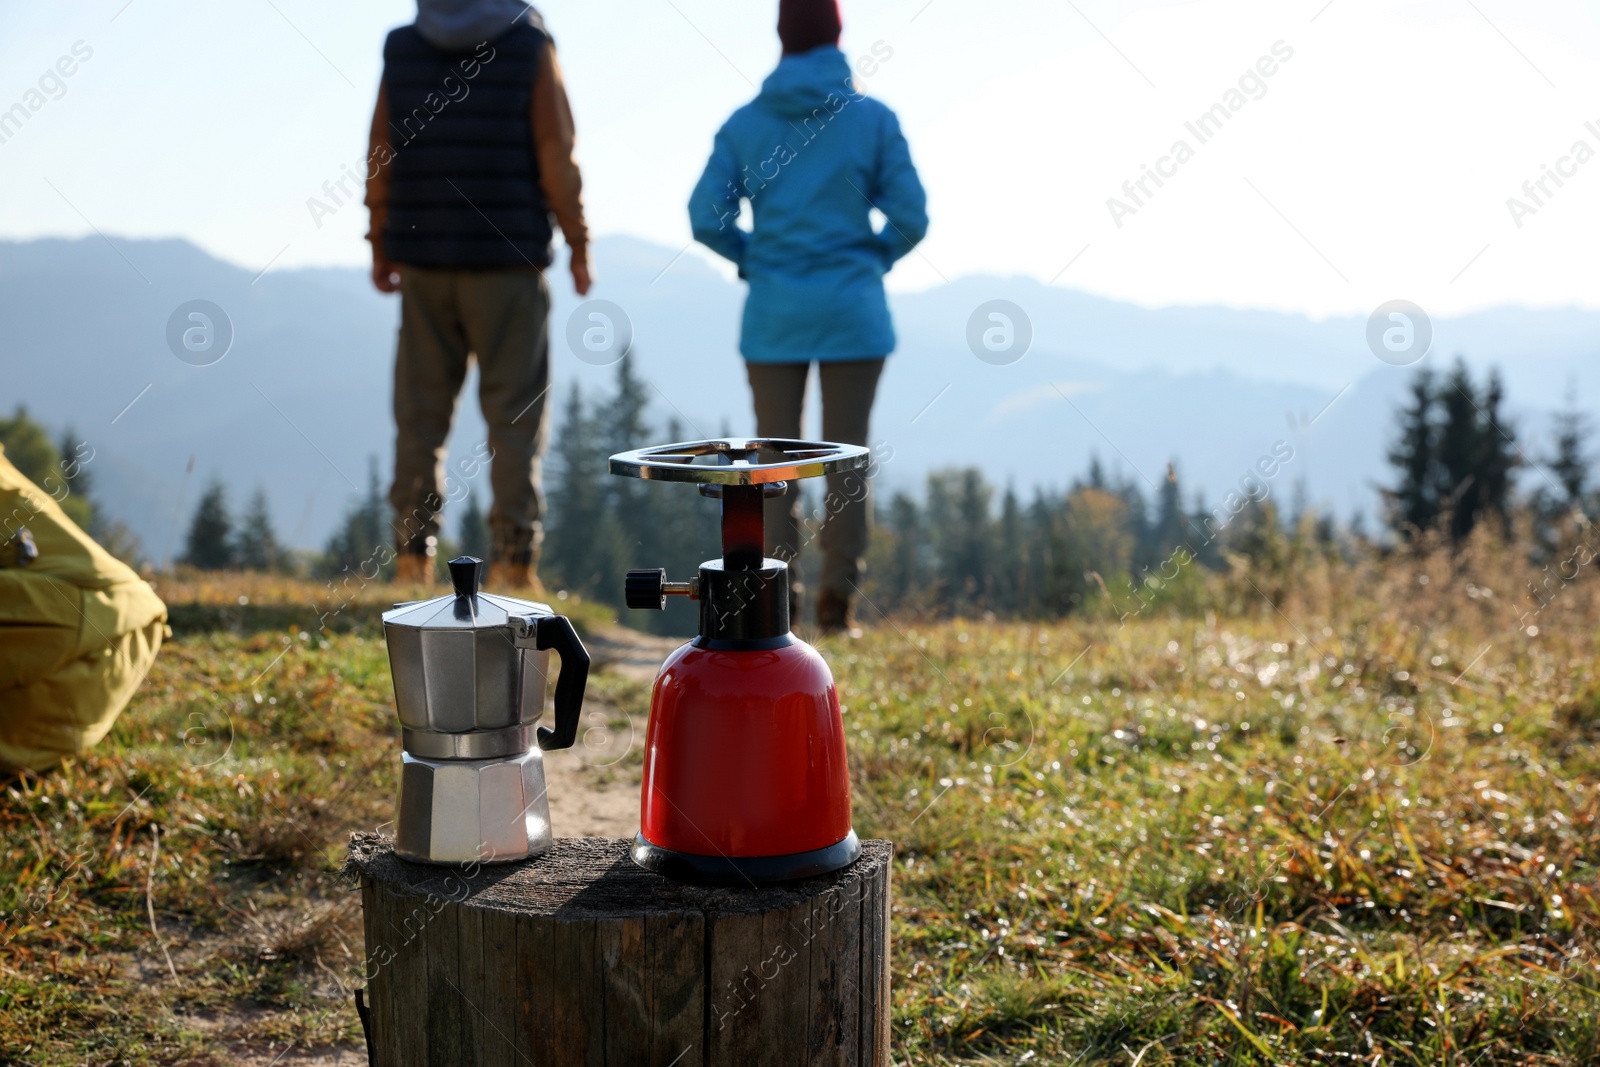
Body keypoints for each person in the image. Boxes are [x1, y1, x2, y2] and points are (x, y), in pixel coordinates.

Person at [689, 0, 927, 634]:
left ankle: (778, 609)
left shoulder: (746, 124)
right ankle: (838, 608)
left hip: (775, 316)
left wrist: (754, 261)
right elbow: (912, 216)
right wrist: (869, 258)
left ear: (780, 36)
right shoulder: (872, 119)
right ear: (839, 33)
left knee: (775, 467)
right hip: (853, 313)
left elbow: (705, 217)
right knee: (847, 462)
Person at [366, 0, 589, 591]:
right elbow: (556, 152)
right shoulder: (529, 44)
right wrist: (578, 240)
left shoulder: (403, 46)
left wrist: (379, 239)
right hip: (508, 264)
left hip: (424, 259)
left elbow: (380, 152)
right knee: (515, 420)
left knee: (419, 418)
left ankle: (413, 560)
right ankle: (516, 564)